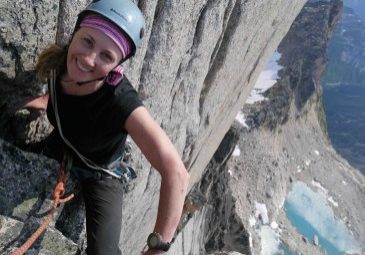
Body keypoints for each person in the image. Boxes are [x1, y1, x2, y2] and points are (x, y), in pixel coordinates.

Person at [31, 0, 190, 254]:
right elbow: (69, 104)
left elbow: (177, 173)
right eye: (88, 41)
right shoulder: (59, 62)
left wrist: (157, 248)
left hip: (101, 173)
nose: (88, 58)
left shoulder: (121, 100)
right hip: (62, 144)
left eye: (106, 56)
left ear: (118, 65)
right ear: (76, 31)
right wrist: (41, 102)